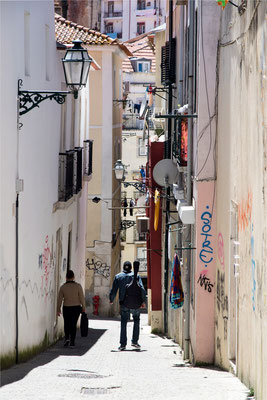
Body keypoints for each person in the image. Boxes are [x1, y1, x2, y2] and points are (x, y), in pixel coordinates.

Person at [109, 261, 146, 351]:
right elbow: (142, 289)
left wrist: (111, 299)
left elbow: (114, 290)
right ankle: (134, 341)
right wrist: (143, 301)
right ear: (131, 268)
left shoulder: (118, 276)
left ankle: (123, 344)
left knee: (123, 322)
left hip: (124, 303)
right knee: (136, 320)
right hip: (136, 303)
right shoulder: (136, 276)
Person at [57, 269, 86, 347]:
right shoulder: (78, 286)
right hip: (76, 308)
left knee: (67, 323)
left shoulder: (63, 287)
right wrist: (83, 307)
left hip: (66, 307)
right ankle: (72, 341)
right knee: (73, 324)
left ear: (66, 277)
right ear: (73, 277)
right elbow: (82, 298)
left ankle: (67, 338)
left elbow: (59, 299)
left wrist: (58, 309)